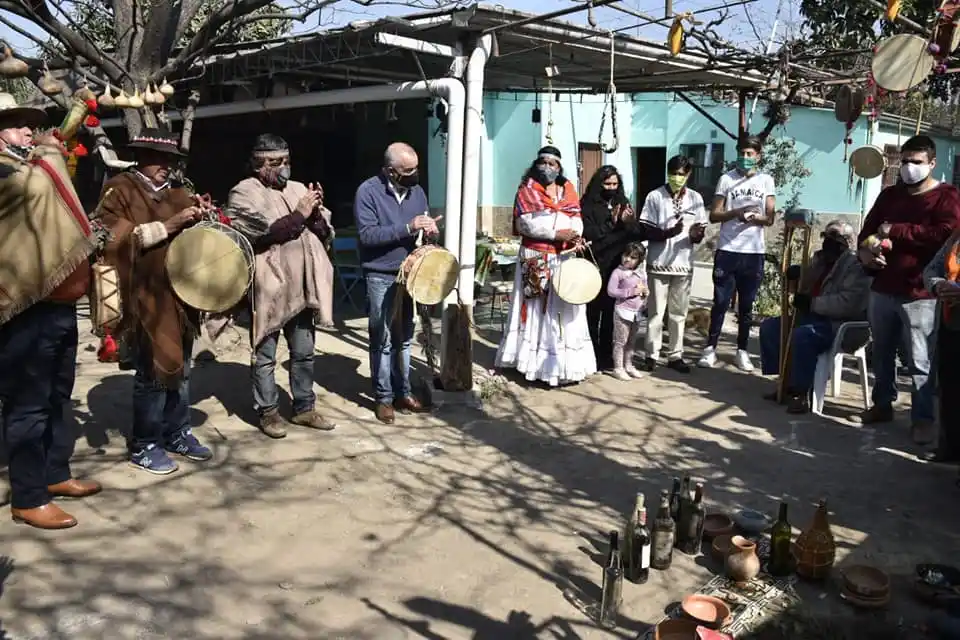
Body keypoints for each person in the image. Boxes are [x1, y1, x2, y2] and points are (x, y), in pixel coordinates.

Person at [0, 92, 101, 529]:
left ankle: (55, 474)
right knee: (28, 405)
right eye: (16, 123)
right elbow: (35, 191)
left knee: (59, 397)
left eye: (30, 123)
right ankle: (27, 496)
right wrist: (49, 150)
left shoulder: (32, 165)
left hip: (58, 305)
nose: (28, 130)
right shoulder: (12, 172)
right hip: (25, 310)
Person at [97, 128, 213, 475]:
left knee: (183, 370)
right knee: (152, 373)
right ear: (143, 158)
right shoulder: (119, 189)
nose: (166, 166)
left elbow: (196, 241)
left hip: (182, 295)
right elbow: (108, 237)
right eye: (160, 159)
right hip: (143, 295)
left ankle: (177, 432)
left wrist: (203, 218)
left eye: (171, 160)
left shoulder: (180, 192)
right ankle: (145, 443)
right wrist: (169, 225)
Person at [227, 134, 337, 438]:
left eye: (287, 160)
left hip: (302, 287)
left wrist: (314, 213)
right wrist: (300, 213)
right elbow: (259, 234)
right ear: (259, 164)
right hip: (269, 287)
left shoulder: (299, 188)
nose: (284, 167)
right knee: (265, 355)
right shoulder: (243, 192)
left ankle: (304, 408)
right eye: (277, 162)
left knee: (304, 352)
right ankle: (268, 412)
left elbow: (323, 231)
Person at [857, 134, 960, 446]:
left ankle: (923, 419)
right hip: (883, 287)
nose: (909, 168)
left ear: (931, 164)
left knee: (920, 361)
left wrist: (896, 231)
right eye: (904, 161)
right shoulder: (889, 196)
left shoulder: (947, 197)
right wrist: (867, 250)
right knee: (882, 352)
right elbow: (868, 231)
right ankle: (882, 403)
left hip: (921, 292)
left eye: (916, 162)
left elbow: (944, 236)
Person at [495, 145, 597, 385]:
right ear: (536, 164)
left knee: (563, 309)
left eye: (553, 163)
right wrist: (555, 233)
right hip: (536, 257)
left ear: (559, 167)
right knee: (536, 309)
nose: (548, 167)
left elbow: (576, 218)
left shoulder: (568, 189)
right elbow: (525, 224)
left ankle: (564, 367)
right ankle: (532, 365)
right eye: (543, 162)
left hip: (564, 258)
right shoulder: (526, 191)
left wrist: (574, 235)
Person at [355, 142, 440, 424]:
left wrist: (430, 232)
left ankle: (403, 392)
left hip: (410, 274)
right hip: (380, 274)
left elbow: (423, 228)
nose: (414, 174)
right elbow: (367, 236)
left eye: (416, 168)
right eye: (407, 170)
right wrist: (408, 226)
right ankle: (383, 398)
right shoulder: (367, 192)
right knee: (382, 339)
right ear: (391, 171)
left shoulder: (417, 192)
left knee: (404, 338)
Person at [758, 221, 871, 413]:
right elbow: (806, 283)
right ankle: (785, 381)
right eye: (826, 236)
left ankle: (801, 393)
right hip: (812, 316)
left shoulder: (855, 265)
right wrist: (797, 276)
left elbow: (847, 303)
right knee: (770, 328)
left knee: (803, 336)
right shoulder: (820, 260)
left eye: (834, 237)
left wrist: (812, 304)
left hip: (837, 323)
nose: (828, 242)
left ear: (848, 241)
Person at [698, 136, 776, 371]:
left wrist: (756, 218)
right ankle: (710, 348)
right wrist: (737, 213)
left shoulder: (766, 181)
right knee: (720, 301)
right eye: (742, 153)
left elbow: (770, 218)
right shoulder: (726, 179)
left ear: (758, 156)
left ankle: (741, 351)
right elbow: (714, 215)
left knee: (747, 305)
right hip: (728, 249)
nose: (746, 157)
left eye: (750, 154)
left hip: (753, 252)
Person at [639, 154, 708, 373]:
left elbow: (699, 231)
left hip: (683, 263)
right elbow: (646, 228)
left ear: (688, 175)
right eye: (673, 173)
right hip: (658, 262)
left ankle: (676, 355)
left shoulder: (695, 198)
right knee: (656, 312)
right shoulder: (655, 197)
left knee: (678, 313)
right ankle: (651, 354)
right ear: (668, 174)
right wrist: (669, 232)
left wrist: (696, 234)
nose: (677, 177)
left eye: (681, 174)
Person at [581, 165, 650, 370]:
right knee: (592, 313)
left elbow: (635, 234)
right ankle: (590, 355)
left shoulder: (622, 203)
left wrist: (629, 223)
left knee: (613, 314)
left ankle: (609, 357)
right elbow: (589, 233)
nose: (611, 187)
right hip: (594, 264)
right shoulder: (588, 205)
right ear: (598, 184)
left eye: (615, 184)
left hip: (617, 268)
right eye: (607, 184)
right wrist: (610, 223)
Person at [922, 230, 960, 465]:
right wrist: (939, 286)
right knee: (949, 391)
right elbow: (931, 269)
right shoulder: (955, 237)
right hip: (950, 325)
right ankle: (950, 448)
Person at [606, 243, 649, 380]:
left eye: (633, 257)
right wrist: (630, 292)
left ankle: (628, 365)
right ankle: (618, 368)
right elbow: (611, 291)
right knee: (620, 341)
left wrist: (645, 293)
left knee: (632, 341)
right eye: (626, 255)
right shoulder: (618, 273)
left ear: (639, 260)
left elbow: (645, 289)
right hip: (622, 311)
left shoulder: (641, 274)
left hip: (637, 313)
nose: (628, 259)